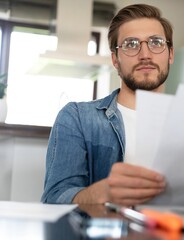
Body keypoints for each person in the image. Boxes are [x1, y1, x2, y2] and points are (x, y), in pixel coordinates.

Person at [41, 3, 174, 206]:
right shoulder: (77, 117)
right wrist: (101, 195)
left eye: (156, 42)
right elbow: (55, 198)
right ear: (115, 59)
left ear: (170, 54)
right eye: (131, 44)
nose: (145, 54)